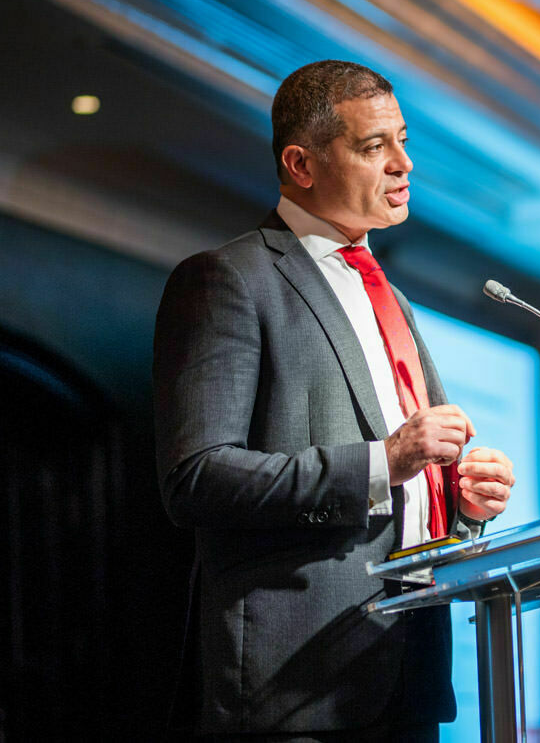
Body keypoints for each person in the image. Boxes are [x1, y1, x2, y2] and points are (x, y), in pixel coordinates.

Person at [153, 60, 516, 738]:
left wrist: (462, 506)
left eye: (403, 140)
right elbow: (195, 476)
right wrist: (384, 461)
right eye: (374, 146)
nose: (404, 163)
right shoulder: (229, 280)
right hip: (296, 686)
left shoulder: (393, 298)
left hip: (409, 668)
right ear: (301, 163)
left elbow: (407, 494)